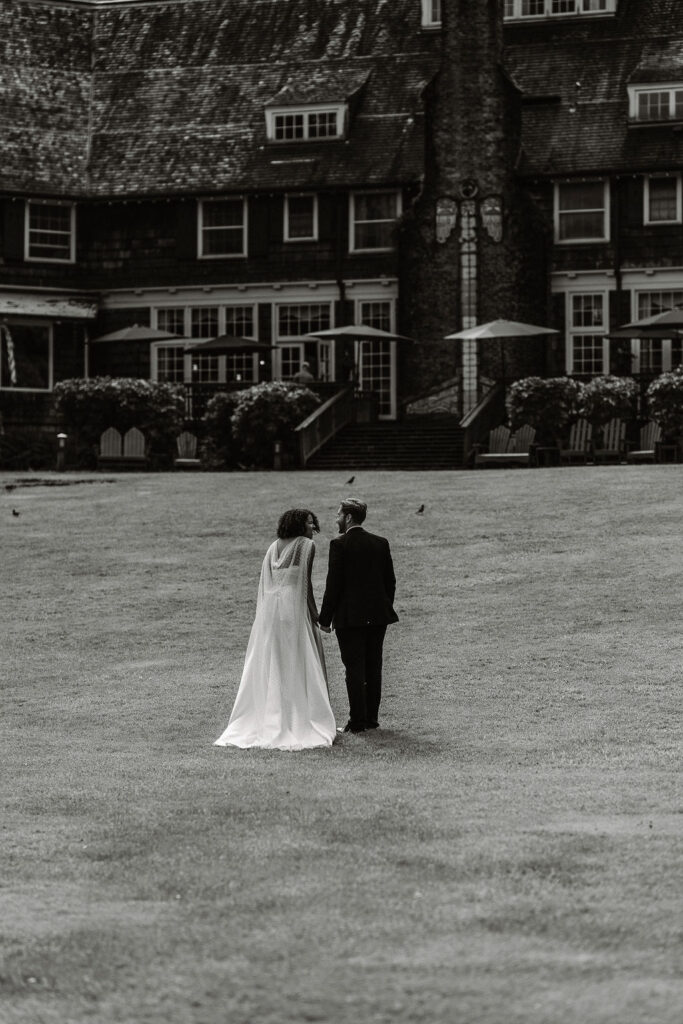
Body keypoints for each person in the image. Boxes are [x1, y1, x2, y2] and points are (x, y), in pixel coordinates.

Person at [214, 509, 336, 750]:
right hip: (293, 607)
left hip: (270, 611)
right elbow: (305, 584)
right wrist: (316, 614)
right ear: (300, 526)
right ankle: (298, 714)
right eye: (310, 524)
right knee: (299, 658)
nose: (313, 528)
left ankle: (272, 712)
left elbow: (270, 582)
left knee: (275, 660)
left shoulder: (273, 546)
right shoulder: (306, 546)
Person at [318, 498, 398, 733]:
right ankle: (371, 720)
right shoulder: (380, 543)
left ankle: (357, 722)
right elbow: (390, 582)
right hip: (378, 616)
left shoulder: (339, 544)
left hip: (350, 619)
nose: (336, 519)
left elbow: (333, 584)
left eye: (338, 514)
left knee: (354, 669)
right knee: (374, 667)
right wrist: (383, 607)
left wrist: (324, 619)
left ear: (348, 517)